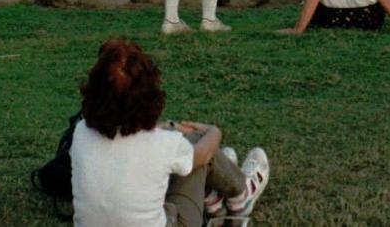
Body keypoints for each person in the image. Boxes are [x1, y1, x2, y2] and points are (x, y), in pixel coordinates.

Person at [70, 38, 270, 227]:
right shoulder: (164, 145)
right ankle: (242, 194)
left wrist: (169, 127)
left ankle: (214, 200)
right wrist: (213, 131)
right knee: (198, 147)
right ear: (149, 96)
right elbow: (204, 154)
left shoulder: (80, 133)